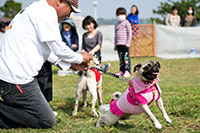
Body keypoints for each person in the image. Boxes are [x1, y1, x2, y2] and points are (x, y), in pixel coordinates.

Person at [0, 0, 92, 129]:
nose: (69, 16)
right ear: (59, 2)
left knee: (43, 114)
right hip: (15, 80)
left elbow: (47, 51)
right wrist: (79, 58)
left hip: (11, 77)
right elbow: (58, 48)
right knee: (46, 120)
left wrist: (71, 64)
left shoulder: (38, 9)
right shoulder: (46, 12)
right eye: (70, 10)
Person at [114, 7, 132, 78]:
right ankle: (121, 70)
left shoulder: (127, 23)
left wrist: (128, 43)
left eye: (122, 14)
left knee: (126, 58)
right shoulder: (116, 24)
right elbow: (115, 35)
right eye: (118, 14)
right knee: (121, 58)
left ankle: (127, 70)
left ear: (125, 14)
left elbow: (130, 33)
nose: (120, 16)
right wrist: (115, 45)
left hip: (125, 44)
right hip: (118, 44)